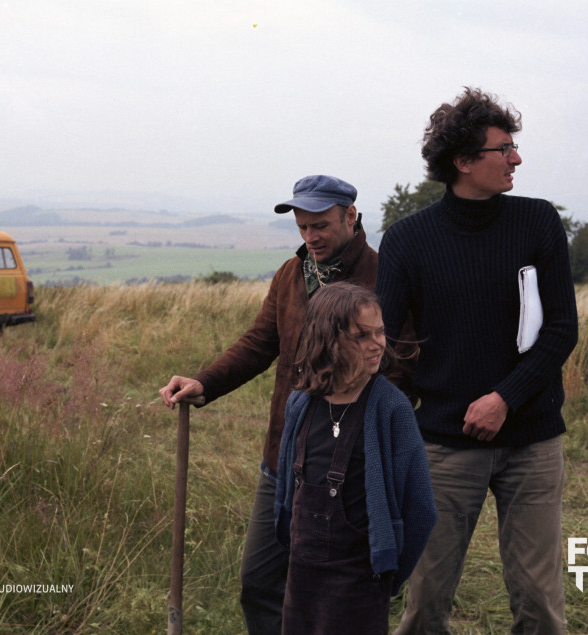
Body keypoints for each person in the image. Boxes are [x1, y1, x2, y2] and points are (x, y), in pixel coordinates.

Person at [159, 175, 415, 634]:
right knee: (259, 581)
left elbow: (402, 361)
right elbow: (260, 343)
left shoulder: (384, 276)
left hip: (349, 463)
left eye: (320, 226)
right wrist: (205, 383)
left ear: (350, 216)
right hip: (282, 456)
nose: (310, 237)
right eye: (302, 227)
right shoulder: (290, 275)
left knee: (337, 592)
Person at [375, 87, 579, 634]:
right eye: (503, 149)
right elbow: (382, 343)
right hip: (443, 443)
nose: (517, 158)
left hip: (533, 440)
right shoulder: (407, 240)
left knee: (539, 600)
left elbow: (562, 328)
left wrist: (504, 398)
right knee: (425, 600)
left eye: (514, 147)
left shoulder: (537, 222)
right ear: (463, 162)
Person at [273, 282, 437, 635]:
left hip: (360, 581)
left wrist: (387, 577)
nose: (377, 343)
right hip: (302, 574)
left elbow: (422, 510)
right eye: (361, 336)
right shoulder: (300, 404)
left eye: (380, 332)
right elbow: (287, 491)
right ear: (327, 339)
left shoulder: (391, 409)